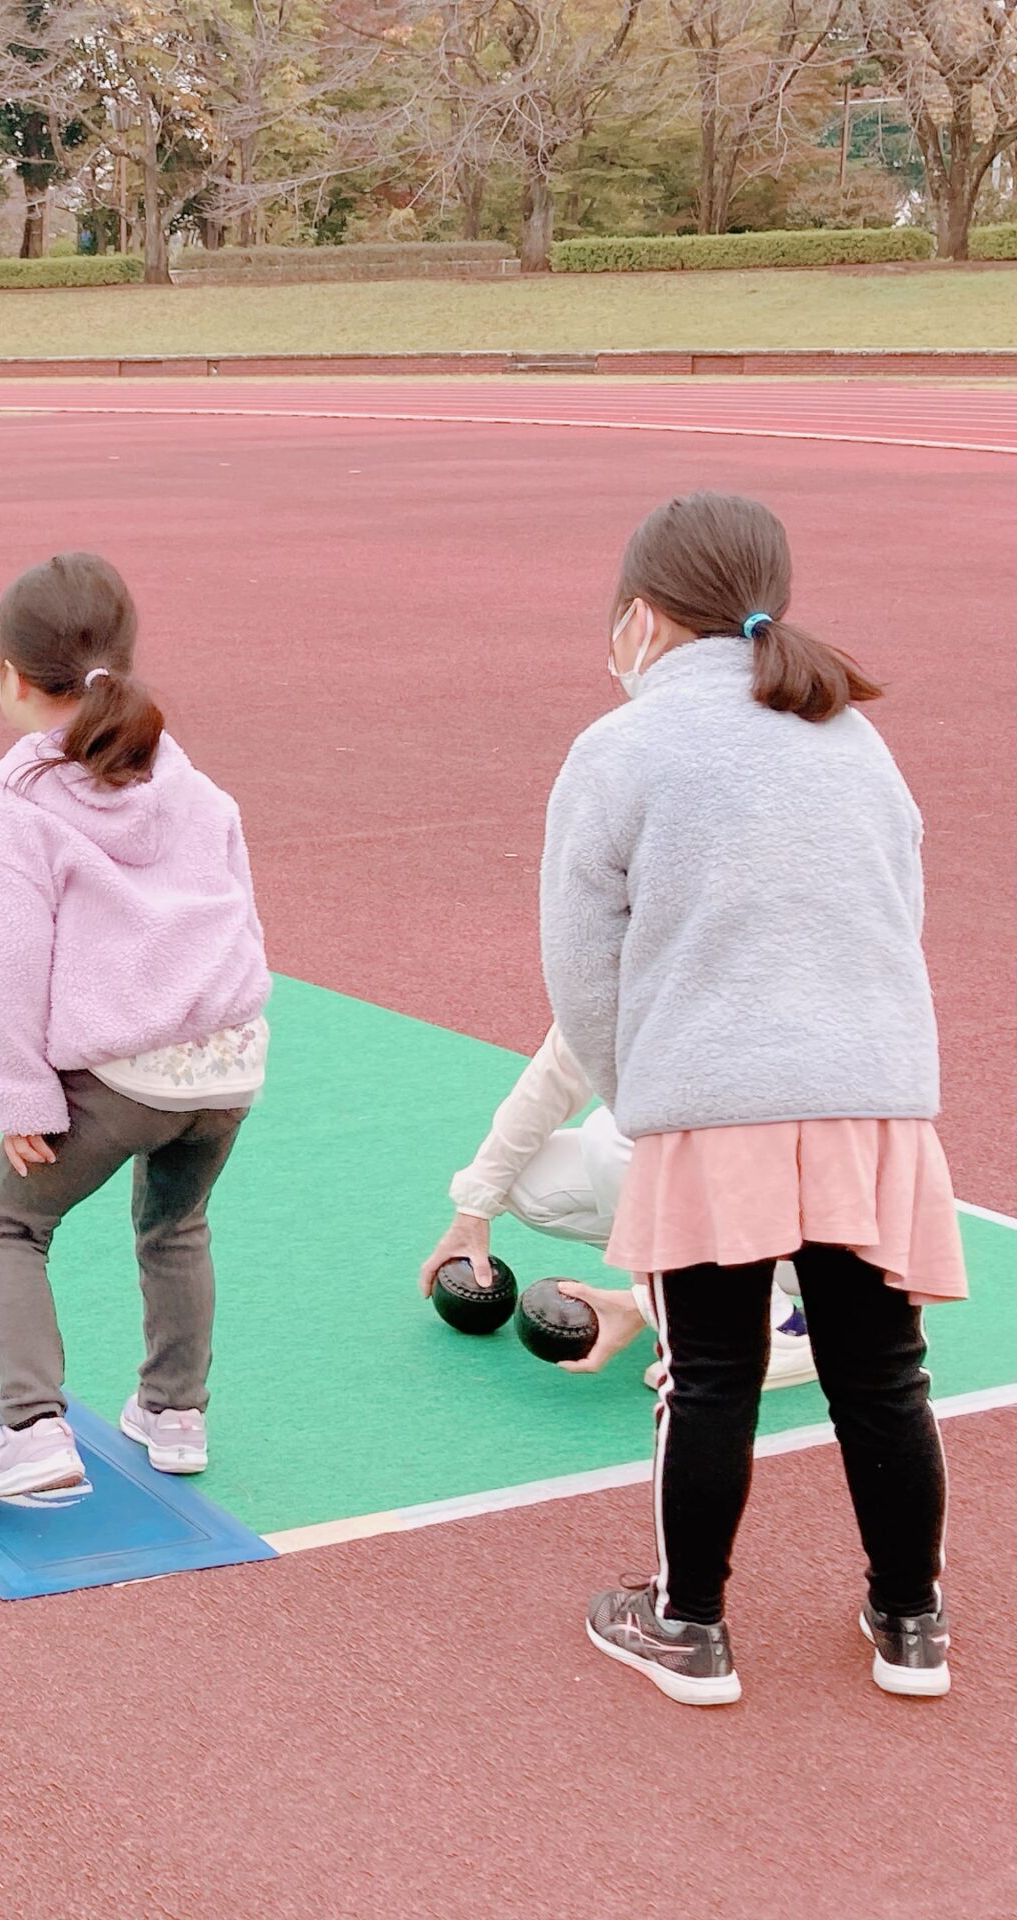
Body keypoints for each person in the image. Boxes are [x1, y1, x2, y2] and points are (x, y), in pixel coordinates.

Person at [545, 492, 962, 1708]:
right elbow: (901, 906)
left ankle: (688, 1626)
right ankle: (911, 1622)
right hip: (868, 1096)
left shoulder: (620, 749)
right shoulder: (849, 734)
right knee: (883, 1374)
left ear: (637, 614)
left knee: (709, 1373)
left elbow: (581, 967)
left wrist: (644, 1096)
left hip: (714, 1096)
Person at [0, 553, 270, 1501]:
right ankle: (175, 1411)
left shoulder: (10, 818)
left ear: (9, 675)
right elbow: (235, 912)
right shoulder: (195, 790)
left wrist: (18, 1093)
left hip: (121, 1077)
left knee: (9, 1224)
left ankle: (33, 1426)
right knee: (178, 1222)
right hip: (227, 1062)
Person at [420, 1024, 817, 1391]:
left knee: (615, 1135)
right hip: (757, 1196)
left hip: (828, 1210)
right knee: (530, 1183)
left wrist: (645, 1302)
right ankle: (736, 1278)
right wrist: (475, 1205)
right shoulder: (620, 959)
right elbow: (556, 1072)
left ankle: (773, 1330)